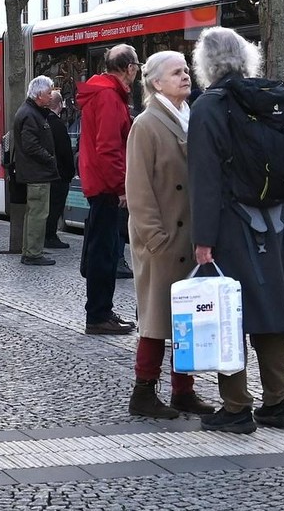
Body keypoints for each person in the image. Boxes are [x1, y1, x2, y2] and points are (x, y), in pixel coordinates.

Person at [188, 27, 284, 434]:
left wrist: (203, 239)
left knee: (229, 316)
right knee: (272, 311)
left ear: (206, 63)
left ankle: (236, 407)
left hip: (233, 223)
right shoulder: (268, 98)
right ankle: (278, 403)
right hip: (277, 221)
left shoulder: (209, 107)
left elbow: (205, 178)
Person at [125, 50, 215, 419]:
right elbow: (138, 188)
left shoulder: (189, 117)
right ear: (156, 82)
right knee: (156, 320)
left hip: (188, 239)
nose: (185, 76)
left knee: (185, 319)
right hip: (162, 242)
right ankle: (143, 392)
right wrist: (155, 238)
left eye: (186, 70)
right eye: (176, 72)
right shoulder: (146, 124)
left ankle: (183, 391)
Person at [77, 45, 140, 336]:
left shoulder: (101, 92)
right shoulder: (109, 97)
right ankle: (99, 314)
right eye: (136, 66)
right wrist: (120, 187)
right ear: (129, 68)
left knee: (106, 248)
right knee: (106, 251)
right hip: (106, 186)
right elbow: (109, 147)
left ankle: (102, 311)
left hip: (99, 182)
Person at [12, 76, 59, 266]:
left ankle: (30, 250)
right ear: (39, 95)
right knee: (38, 213)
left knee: (34, 213)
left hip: (34, 171)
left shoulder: (30, 111)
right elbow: (30, 145)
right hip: (37, 172)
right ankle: (33, 252)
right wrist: (50, 159)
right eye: (49, 93)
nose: (51, 97)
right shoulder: (31, 114)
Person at [45, 90, 74, 249]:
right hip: (59, 173)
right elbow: (65, 151)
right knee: (55, 206)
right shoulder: (58, 125)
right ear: (60, 105)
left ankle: (48, 235)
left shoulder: (42, 121)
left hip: (47, 172)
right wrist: (70, 172)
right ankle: (50, 235)